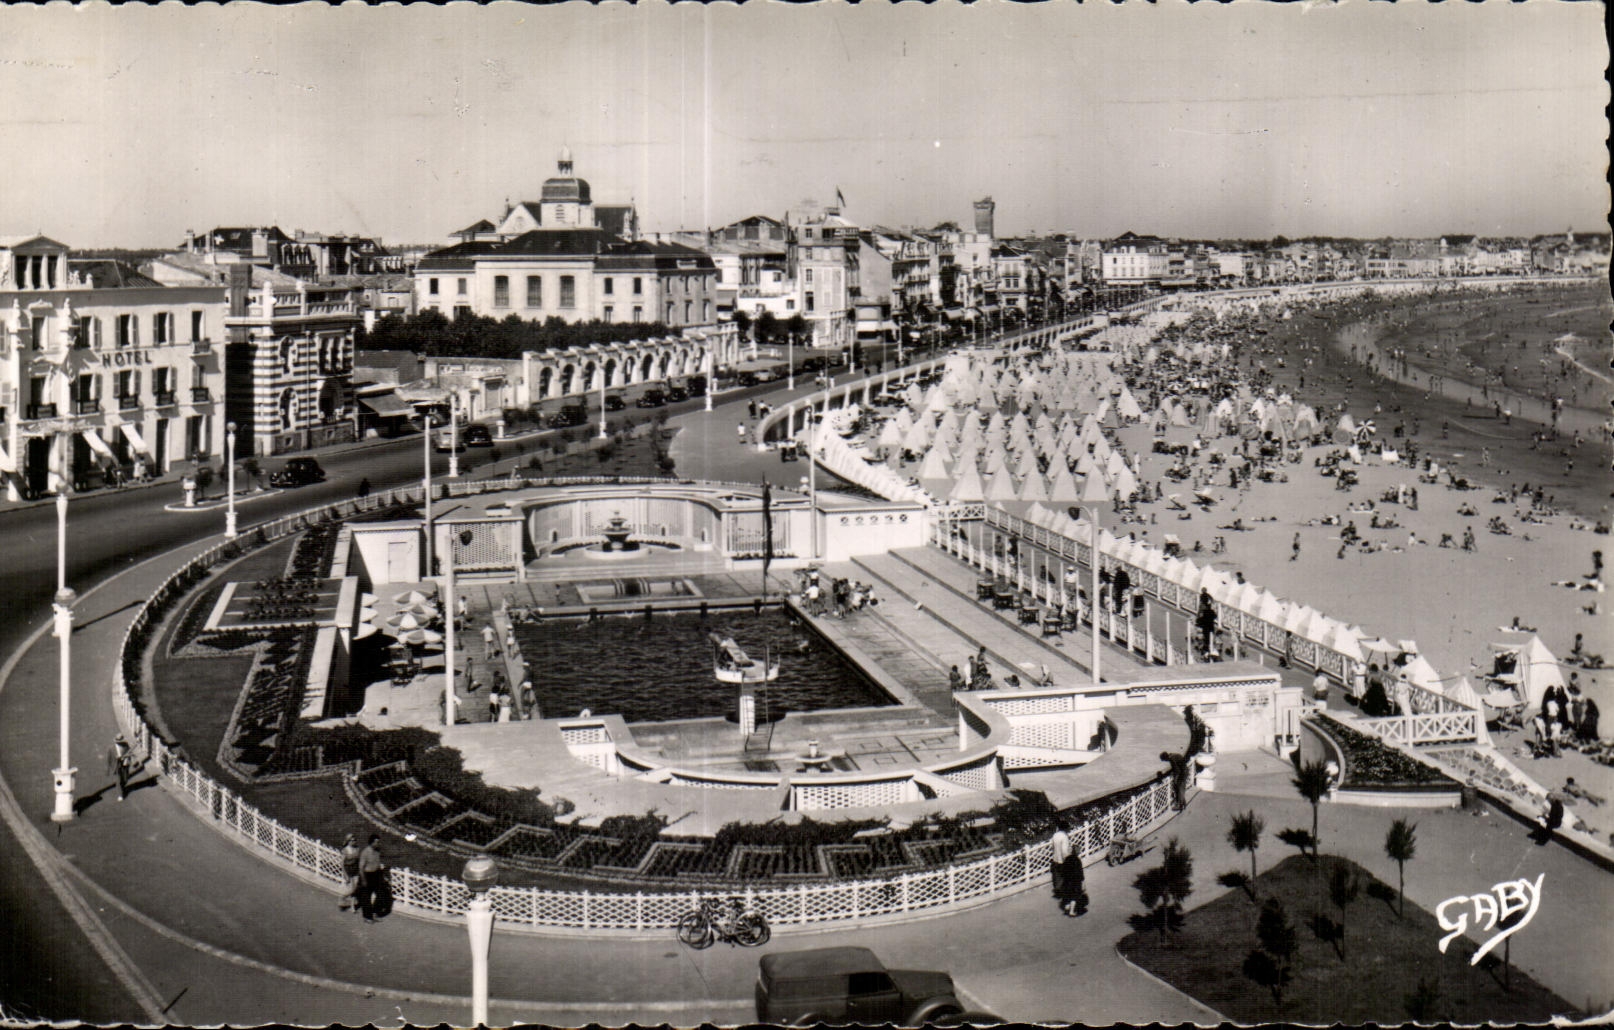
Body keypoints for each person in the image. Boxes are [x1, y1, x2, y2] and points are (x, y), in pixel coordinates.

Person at [357, 835, 387, 921]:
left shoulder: (377, 851)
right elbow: (361, 868)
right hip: (367, 875)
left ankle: (374, 912)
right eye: (377, 842)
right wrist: (363, 880)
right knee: (367, 897)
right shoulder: (365, 852)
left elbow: (378, 863)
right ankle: (367, 917)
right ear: (371, 842)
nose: (378, 844)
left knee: (380, 894)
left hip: (376, 875)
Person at [106, 734, 135, 801]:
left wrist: (129, 759)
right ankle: (120, 795)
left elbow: (129, 753)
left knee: (125, 779)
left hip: (124, 765)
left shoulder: (125, 745)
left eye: (120, 741)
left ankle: (122, 786)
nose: (118, 742)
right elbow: (108, 759)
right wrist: (108, 769)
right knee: (118, 780)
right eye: (117, 741)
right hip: (116, 766)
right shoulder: (111, 748)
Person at [339, 834, 363, 911]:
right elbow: (342, 863)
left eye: (355, 840)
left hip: (355, 870)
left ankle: (352, 906)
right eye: (352, 840)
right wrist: (345, 874)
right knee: (352, 888)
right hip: (348, 870)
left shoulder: (357, 849)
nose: (354, 842)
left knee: (354, 888)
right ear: (348, 841)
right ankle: (343, 896)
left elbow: (359, 860)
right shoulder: (345, 850)